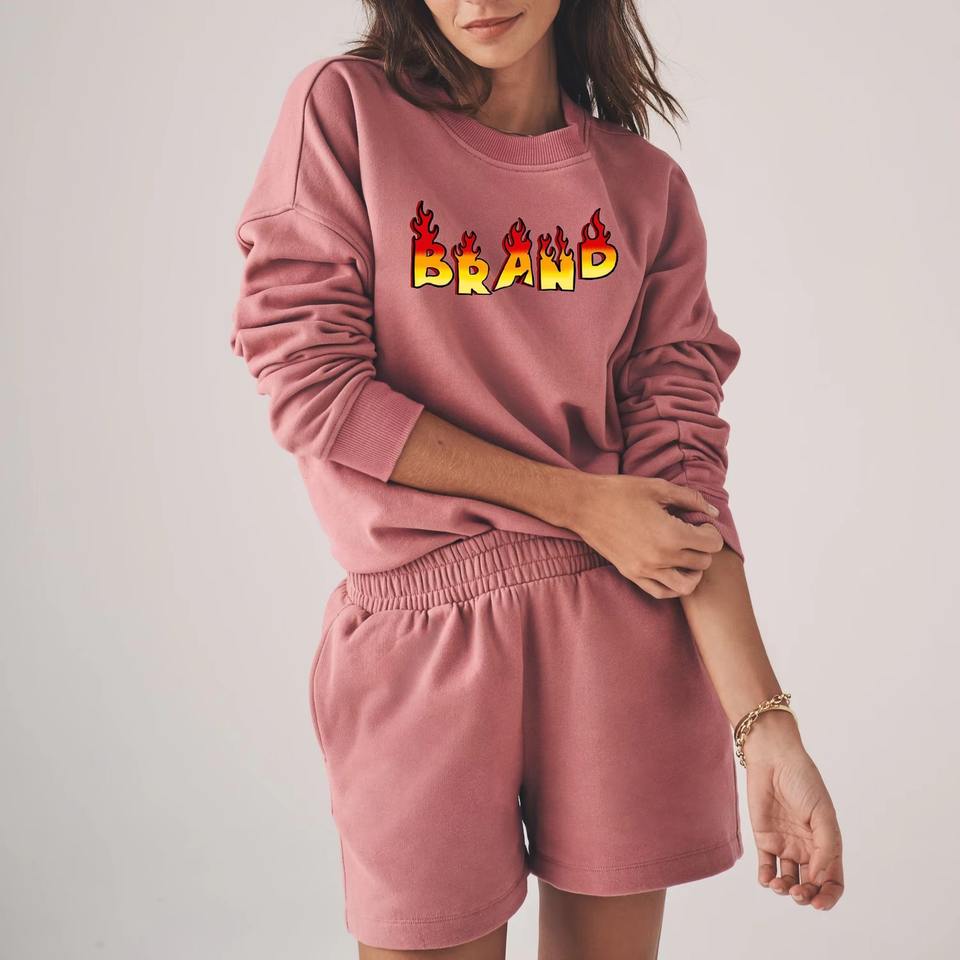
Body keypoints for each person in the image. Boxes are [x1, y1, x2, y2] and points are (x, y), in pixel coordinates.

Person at [229, 2, 845, 957]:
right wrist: (580, 502)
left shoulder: (644, 188)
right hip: (422, 646)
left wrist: (767, 731)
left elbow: (682, 475)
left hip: (622, 639)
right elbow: (312, 385)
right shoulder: (346, 113)